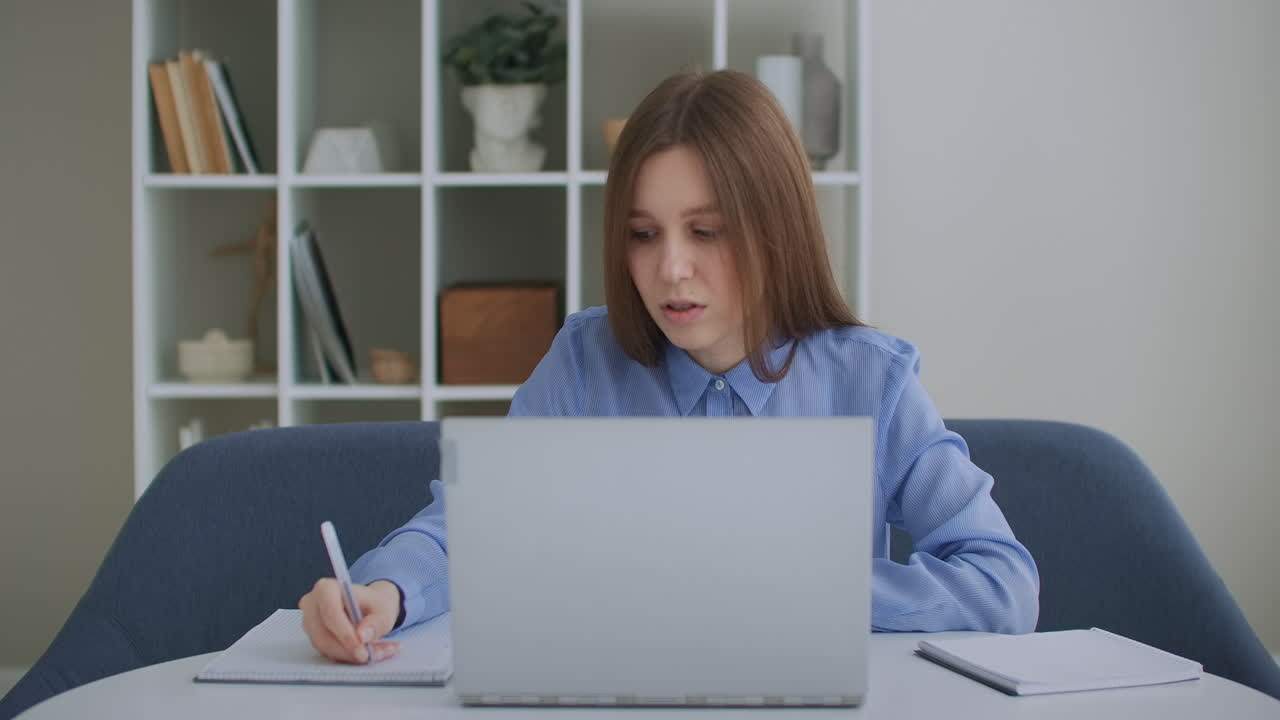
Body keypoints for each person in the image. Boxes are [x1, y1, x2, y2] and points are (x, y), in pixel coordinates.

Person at [299, 69, 1040, 664]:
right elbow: (465, 525)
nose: (670, 269)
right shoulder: (585, 362)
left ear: (775, 232)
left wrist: (807, 592)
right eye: (644, 234)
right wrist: (385, 588)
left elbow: (1003, 585)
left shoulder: (871, 380)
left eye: (706, 231)